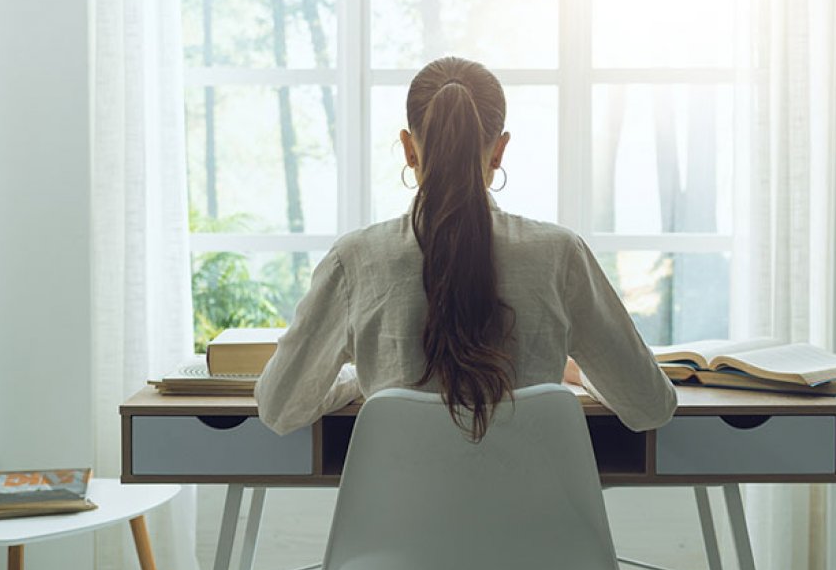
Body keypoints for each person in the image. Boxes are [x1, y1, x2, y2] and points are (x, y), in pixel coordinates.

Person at [255, 56, 676, 440]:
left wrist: (362, 378)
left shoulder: (356, 260)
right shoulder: (560, 255)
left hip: (397, 525)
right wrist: (581, 373)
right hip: (535, 524)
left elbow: (278, 407)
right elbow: (650, 404)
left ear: (408, 147)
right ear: (499, 150)